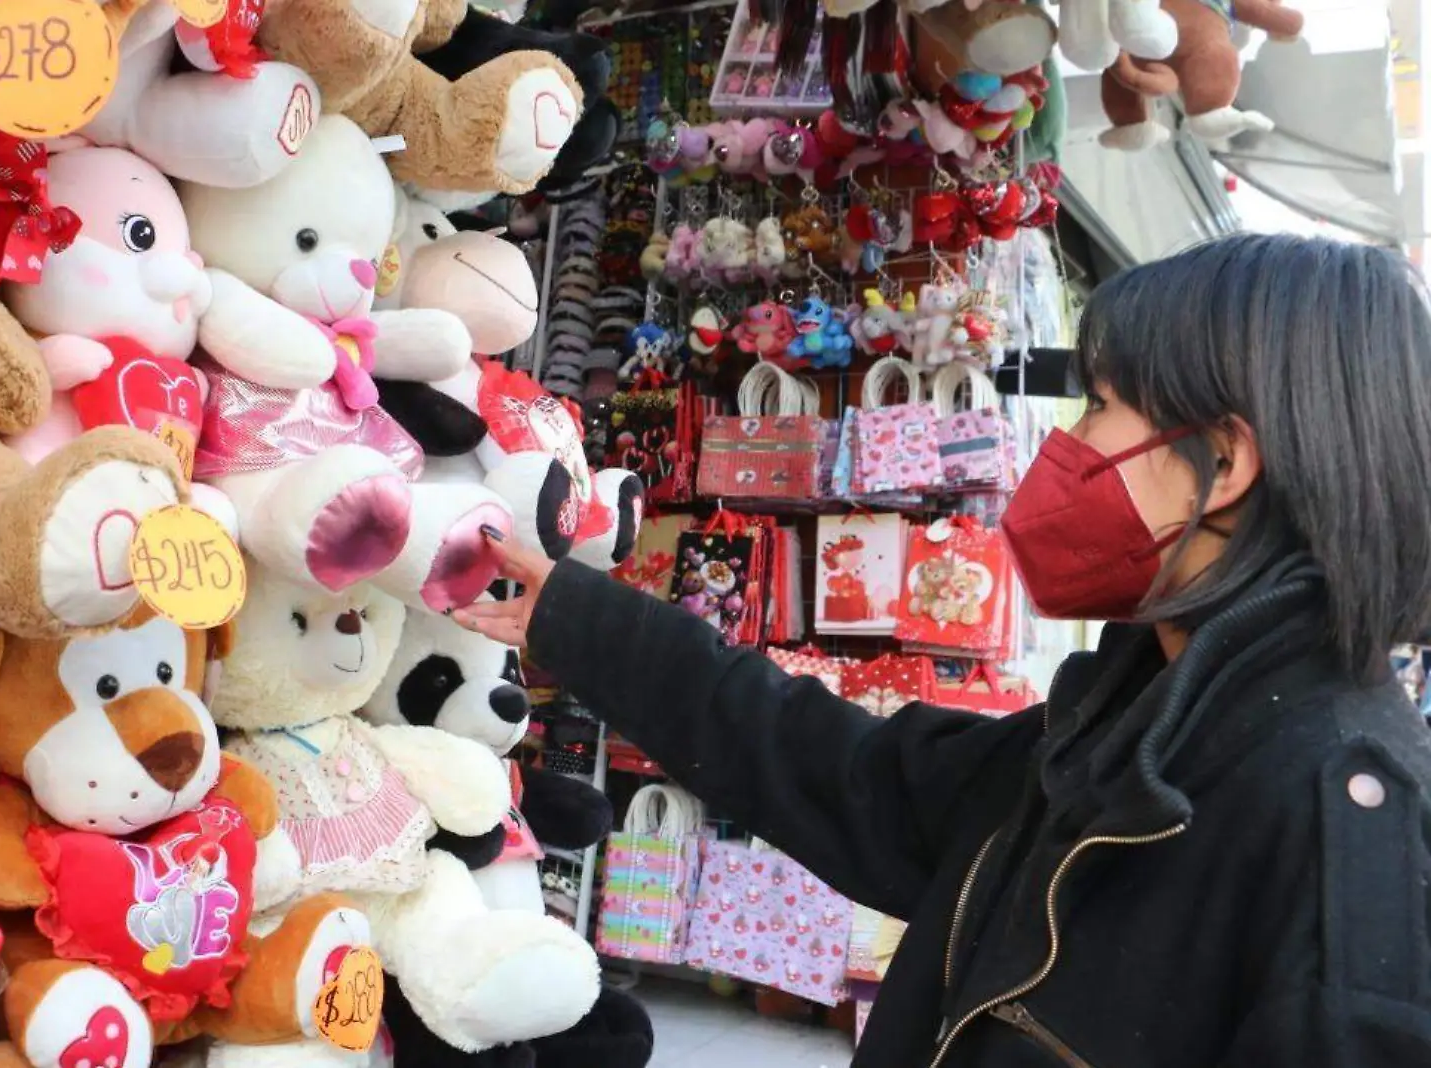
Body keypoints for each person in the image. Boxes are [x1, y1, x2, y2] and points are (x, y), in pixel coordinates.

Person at [456, 234, 1431, 1068]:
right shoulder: (1123, 727)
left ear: (1222, 465)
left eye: (1098, 407)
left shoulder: (1342, 837)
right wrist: (577, 617)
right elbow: (849, 774)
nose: (1068, 447)